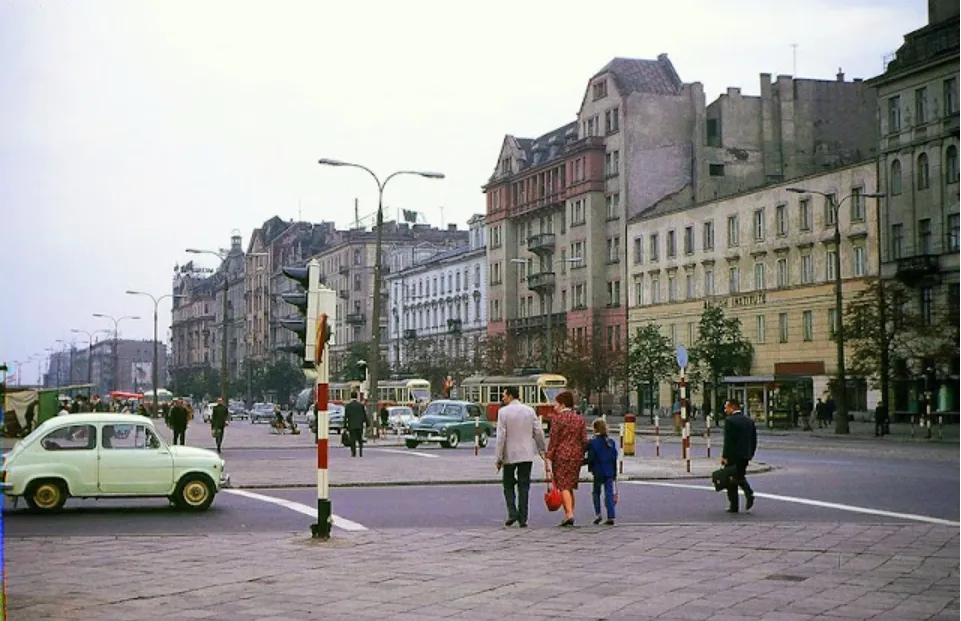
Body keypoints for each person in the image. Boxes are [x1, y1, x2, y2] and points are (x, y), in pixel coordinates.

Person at [495, 386, 547, 528]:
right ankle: (523, 518)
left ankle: (512, 512)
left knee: (508, 485)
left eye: (504, 395)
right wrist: (542, 449)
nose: (503, 397)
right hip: (526, 453)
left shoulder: (503, 412)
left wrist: (498, 457)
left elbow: (501, 437)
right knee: (524, 486)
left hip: (509, 454)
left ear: (510, 396)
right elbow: (538, 432)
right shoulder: (529, 411)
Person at [546, 390, 587, 527]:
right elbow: (584, 440)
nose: (555, 407)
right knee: (569, 486)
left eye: (556, 404)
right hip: (576, 456)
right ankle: (569, 513)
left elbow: (554, 440)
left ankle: (569, 515)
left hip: (561, 455)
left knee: (563, 485)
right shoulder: (579, 419)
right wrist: (581, 453)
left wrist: (548, 457)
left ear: (562, 405)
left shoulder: (557, 420)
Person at [721, 397, 757, 513]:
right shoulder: (749, 421)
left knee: (732, 479)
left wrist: (725, 456)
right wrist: (750, 453)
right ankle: (742, 498)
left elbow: (728, 441)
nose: (725, 409)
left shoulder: (730, 421)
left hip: (733, 456)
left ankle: (738, 502)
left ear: (733, 407)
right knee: (738, 476)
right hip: (745, 455)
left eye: (726, 407)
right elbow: (754, 439)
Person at [586, 417, 618, 525]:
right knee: (609, 493)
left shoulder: (593, 442)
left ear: (595, 429)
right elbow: (614, 459)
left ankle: (598, 514)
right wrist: (615, 473)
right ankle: (611, 516)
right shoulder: (611, 442)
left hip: (598, 471)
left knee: (596, 492)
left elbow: (590, 458)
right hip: (609, 471)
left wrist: (581, 463)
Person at [344, 391, 367, 457]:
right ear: (357, 396)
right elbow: (364, 415)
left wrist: (345, 426)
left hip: (351, 426)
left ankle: (353, 453)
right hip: (359, 425)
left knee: (352, 440)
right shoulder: (361, 405)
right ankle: (360, 452)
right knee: (360, 440)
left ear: (351, 396)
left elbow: (346, 417)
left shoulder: (348, 406)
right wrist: (366, 423)